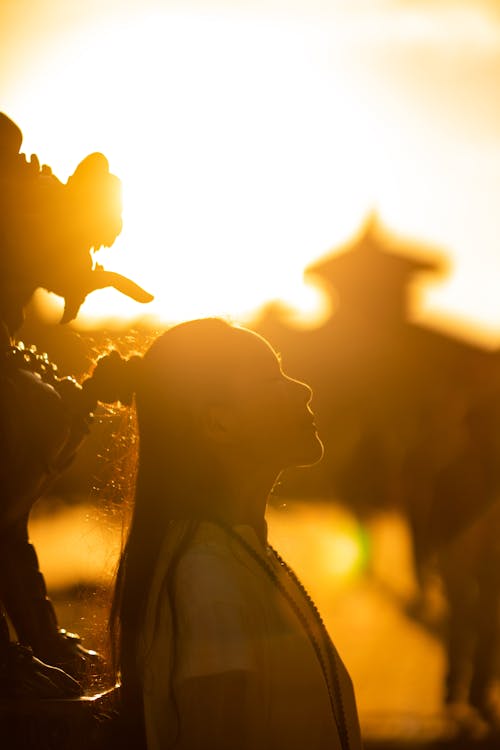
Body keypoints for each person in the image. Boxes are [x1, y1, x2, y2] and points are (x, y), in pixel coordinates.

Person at [87, 317, 363, 750]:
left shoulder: (236, 555)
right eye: (273, 378)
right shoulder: (206, 579)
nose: (303, 389)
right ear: (218, 424)